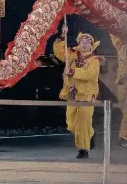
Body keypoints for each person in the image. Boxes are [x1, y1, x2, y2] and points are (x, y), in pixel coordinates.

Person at [53, 23, 101, 158]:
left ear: (92, 45)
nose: (84, 43)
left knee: (82, 124)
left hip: (86, 96)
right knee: (71, 124)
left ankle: (83, 150)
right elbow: (59, 52)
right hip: (72, 94)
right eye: (82, 40)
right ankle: (90, 133)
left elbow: (89, 75)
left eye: (87, 41)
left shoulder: (94, 60)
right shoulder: (73, 55)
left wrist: (73, 71)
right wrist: (63, 35)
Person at [109, 34, 127, 147]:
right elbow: (114, 32)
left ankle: (124, 136)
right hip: (123, 83)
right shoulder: (122, 46)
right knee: (125, 109)